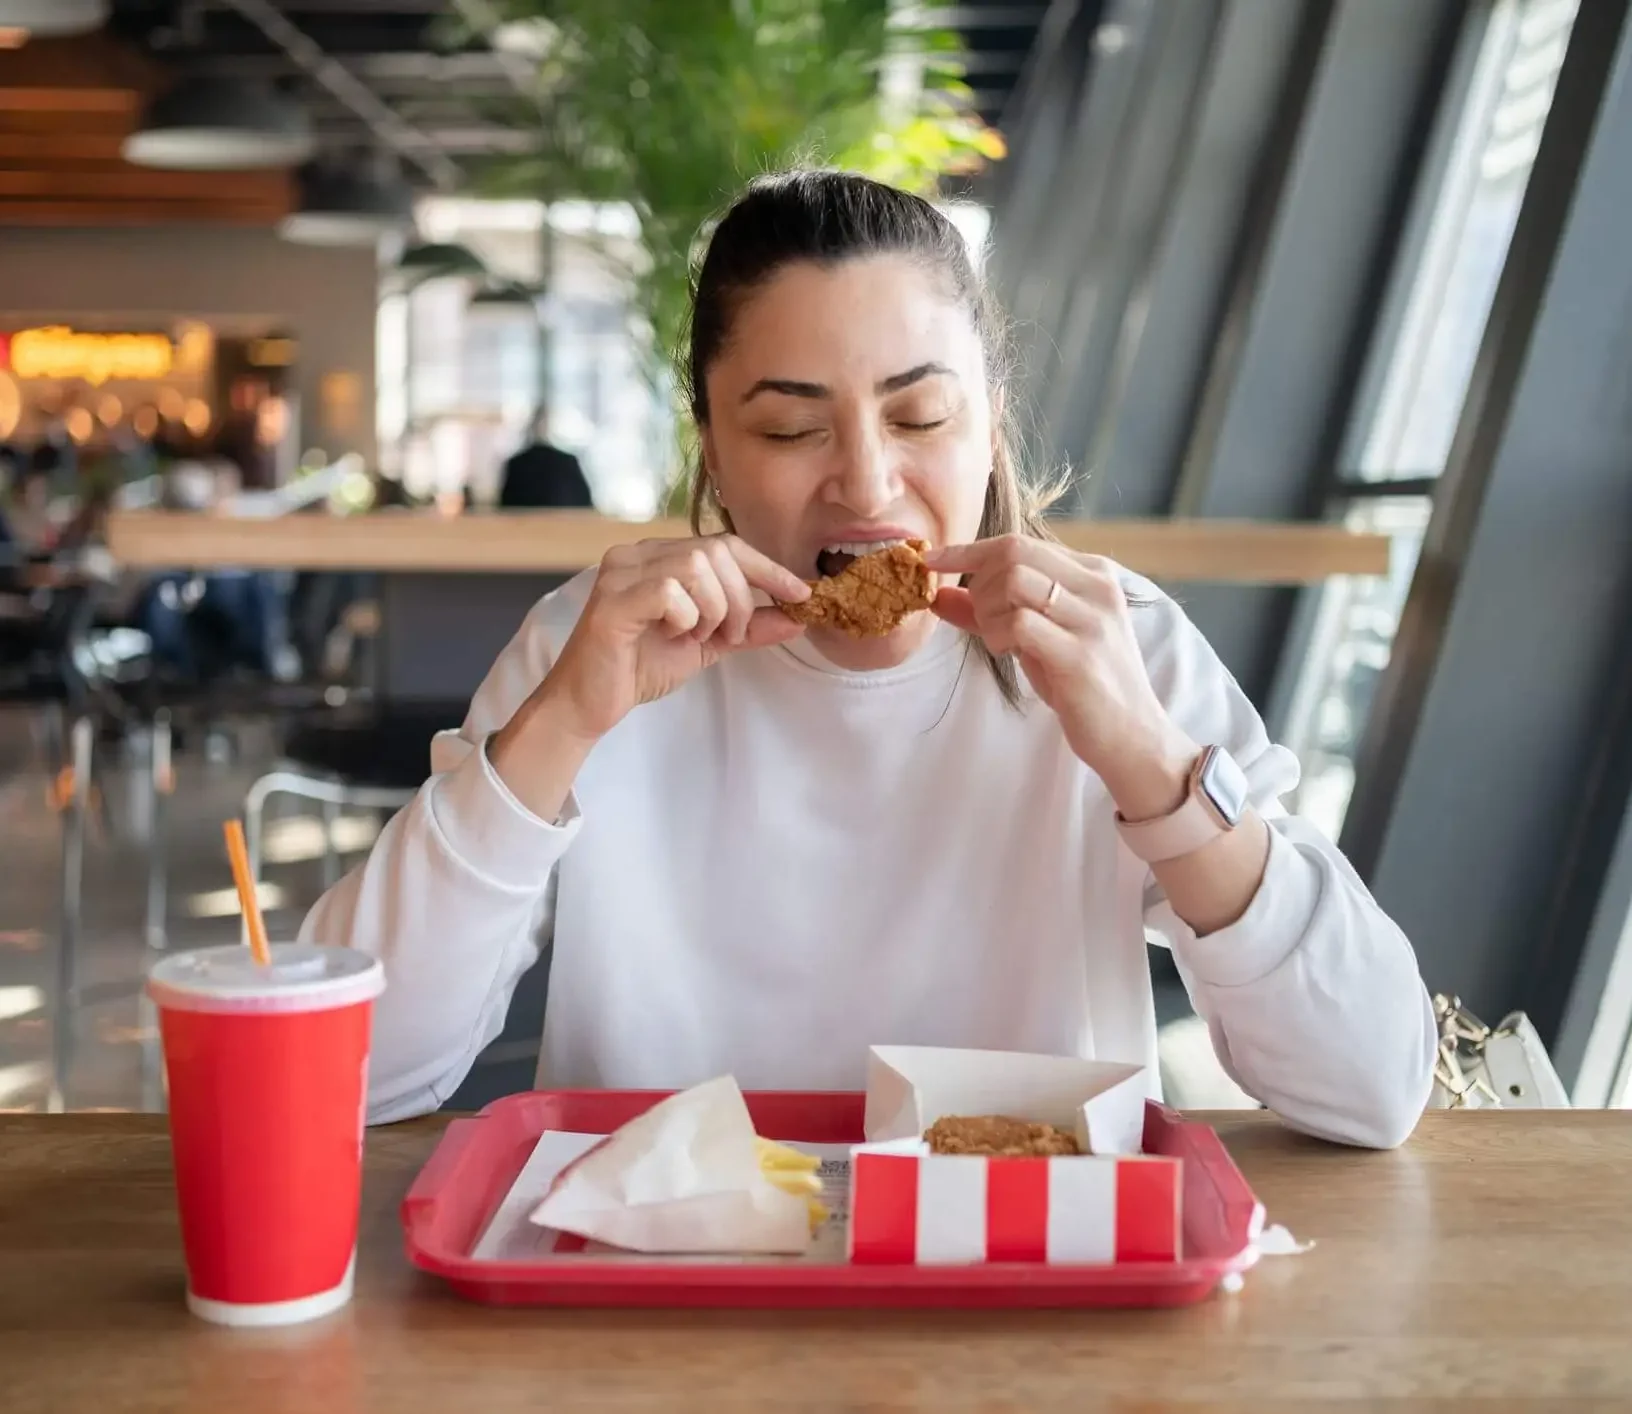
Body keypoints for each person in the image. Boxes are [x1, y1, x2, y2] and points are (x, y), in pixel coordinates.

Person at [304, 170, 1436, 1145]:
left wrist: (1148, 760)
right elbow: (349, 1078)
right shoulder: (588, 645)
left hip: (1021, 1297)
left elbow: (1373, 1084)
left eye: (921, 415)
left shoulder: (1115, 641)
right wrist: (556, 730)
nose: (866, 481)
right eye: (792, 428)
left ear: (991, 420)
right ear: (715, 449)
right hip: (657, 1302)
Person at [497, 406, 594, 510]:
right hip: (563, 523)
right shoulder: (567, 461)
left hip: (526, 524)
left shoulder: (516, 464)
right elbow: (585, 502)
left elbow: (505, 505)